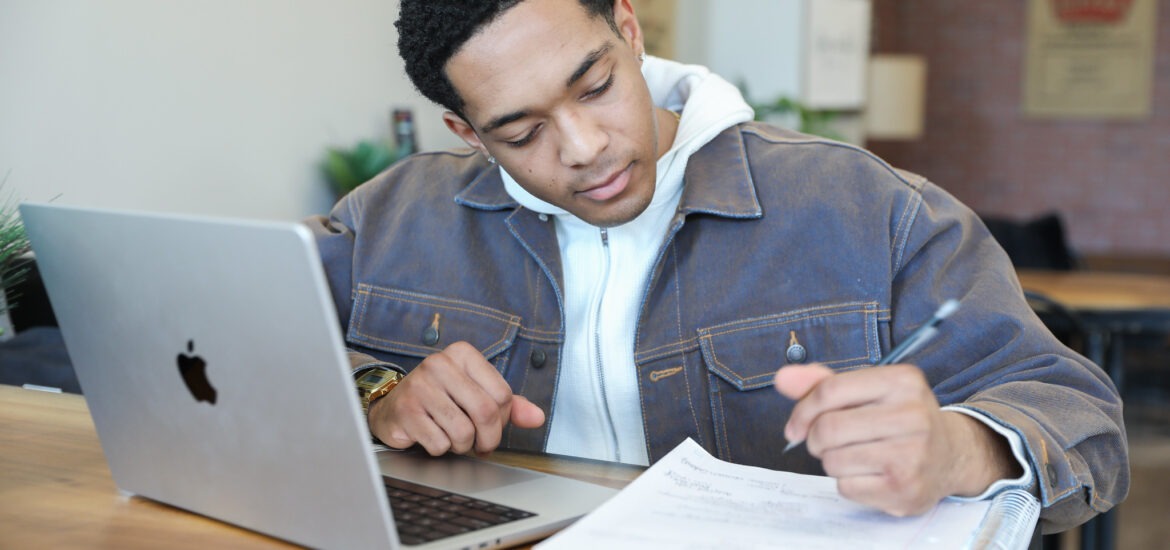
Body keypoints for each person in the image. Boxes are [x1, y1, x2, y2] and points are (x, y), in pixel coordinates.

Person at [306, 0, 1127, 533]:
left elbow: (1084, 422)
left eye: (595, 88)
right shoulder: (393, 216)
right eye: (521, 134)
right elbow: (229, 336)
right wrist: (377, 391)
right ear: (466, 132)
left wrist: (956, 447)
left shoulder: (862, 206)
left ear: (629, 31)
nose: (586, 149)